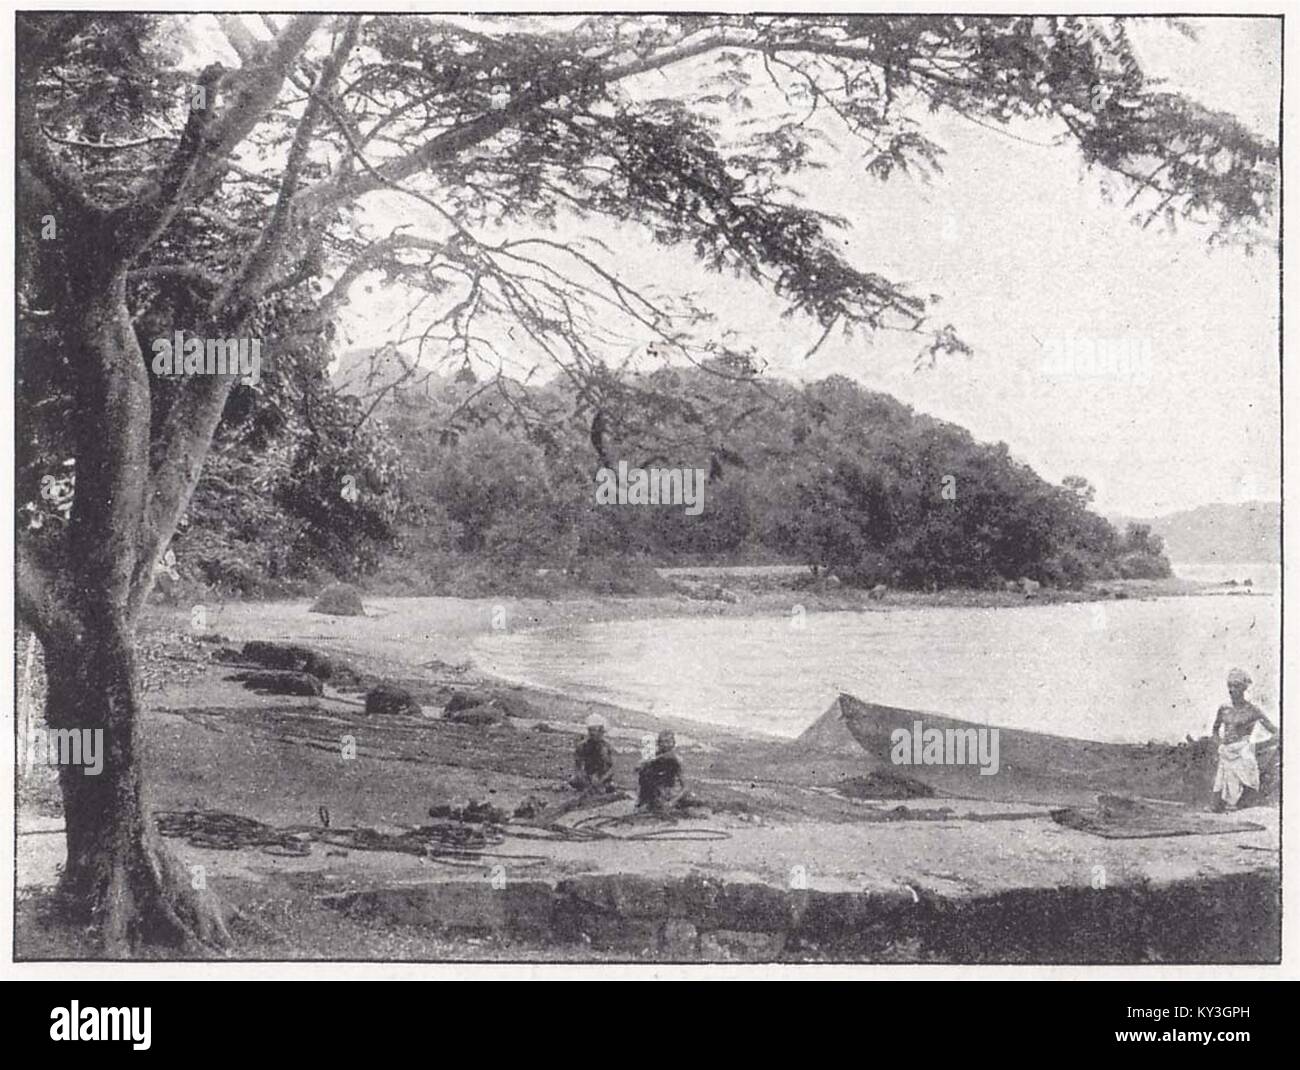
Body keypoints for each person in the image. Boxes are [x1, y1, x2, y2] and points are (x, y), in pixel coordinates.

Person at [1210, 669, 1279, 811]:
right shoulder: (1224, 709)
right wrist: (1219, 744)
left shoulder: (1252, 710)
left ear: (1243, 688)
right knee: (1222, 783)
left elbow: (1275, 731)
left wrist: (1256, 745)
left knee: (1246, 771)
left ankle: (1238, 802)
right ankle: (1223, 803)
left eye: (1235, 686)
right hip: (1226, 751)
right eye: (1229, 686)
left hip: (1243, 751)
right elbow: (1215, 729)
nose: (1231, 690)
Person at [636, 730, 686, 813]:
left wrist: (672, 802)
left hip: (670, 795)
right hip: (655, 794)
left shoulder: (677, 760)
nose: (665, 745)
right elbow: (638, 767)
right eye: (663, 742)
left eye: (668, 742)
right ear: (658, 744)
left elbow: (686, 788)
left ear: (673, 744)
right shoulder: (653, 758)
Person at [571, 713, 616, 793]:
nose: (594, 734)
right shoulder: (582, 746)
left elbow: (611, 769)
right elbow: (578, 767)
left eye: (597, 731)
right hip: (587, 776)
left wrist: (601, 780)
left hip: (601, 777)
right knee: (574, 781)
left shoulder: (606, 747)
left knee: (611, 786)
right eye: (591, 731)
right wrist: (585, 779)